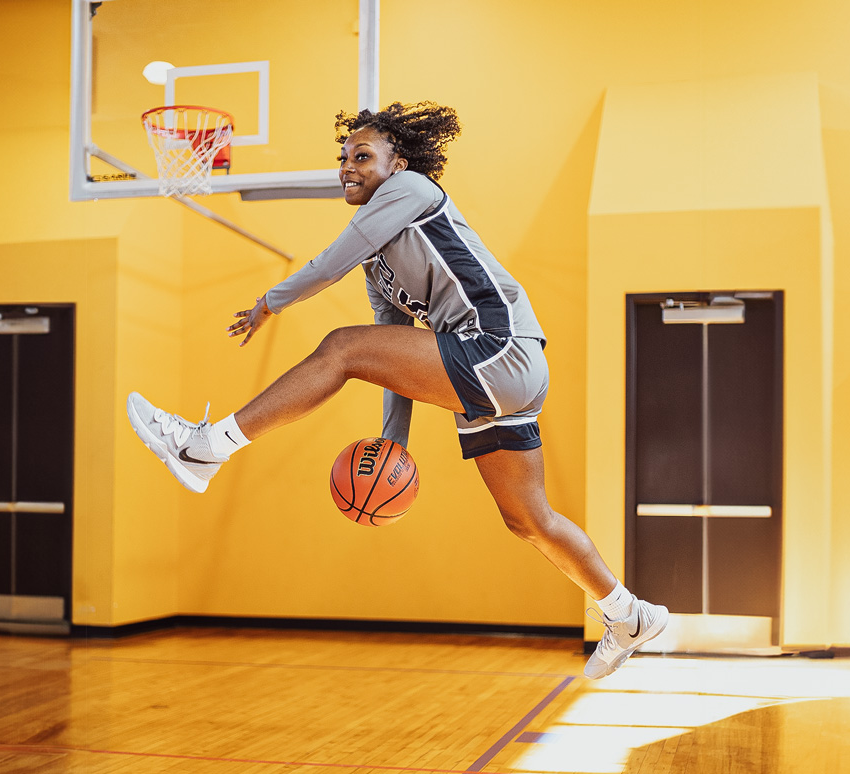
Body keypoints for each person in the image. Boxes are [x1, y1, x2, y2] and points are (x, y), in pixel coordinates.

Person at [126, 101, 668, 679]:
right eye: (342, 158)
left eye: (362, 156)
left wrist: (269, 302)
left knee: (341, 346)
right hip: (498, 373)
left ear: (398, 162)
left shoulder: (412, 189)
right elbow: (393, 352)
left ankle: (207, 447)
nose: (347, 167)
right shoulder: (379, 264)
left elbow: (331, 265)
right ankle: (628, 612)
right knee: (527, 520)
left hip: (497, 345)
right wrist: (394, 443)